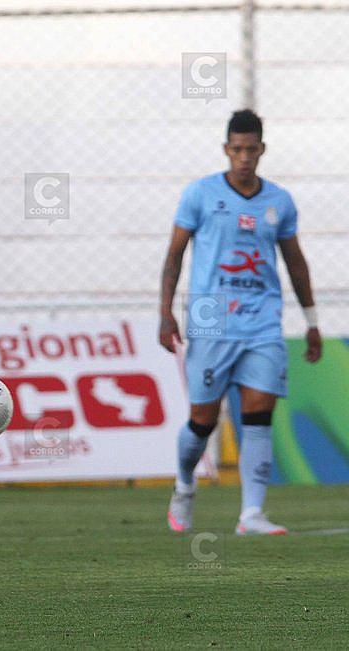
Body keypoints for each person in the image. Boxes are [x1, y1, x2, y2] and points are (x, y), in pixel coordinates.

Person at [159, 109, 322, 536]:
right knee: (202, 421)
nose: (244, 157)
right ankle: (184, 484)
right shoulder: (200, 194)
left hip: (262, 321)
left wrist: (311, 321)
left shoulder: (279, 201)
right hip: (211, 321)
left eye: (252, 149)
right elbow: (175, 255)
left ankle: (251, 514)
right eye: (237, 149)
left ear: (262, 150)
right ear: (226, 149)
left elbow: (296, 263)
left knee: (258, 415)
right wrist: (165, 312)